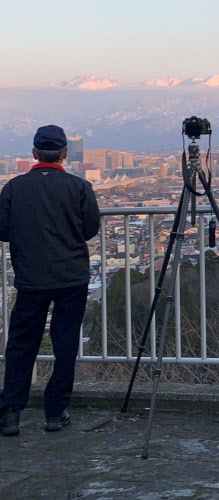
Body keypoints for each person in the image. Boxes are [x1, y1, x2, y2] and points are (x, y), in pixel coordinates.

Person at [0, 125, 100, 436]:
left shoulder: (14, 188)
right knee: (66, 341)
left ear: (33, 153)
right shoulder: (79, 187)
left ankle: (10, 413)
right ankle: (55, 411)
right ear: (65, 154)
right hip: (71, 276)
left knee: (20, 343)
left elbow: (2, 231)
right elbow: (89, 230)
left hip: (31, 277)